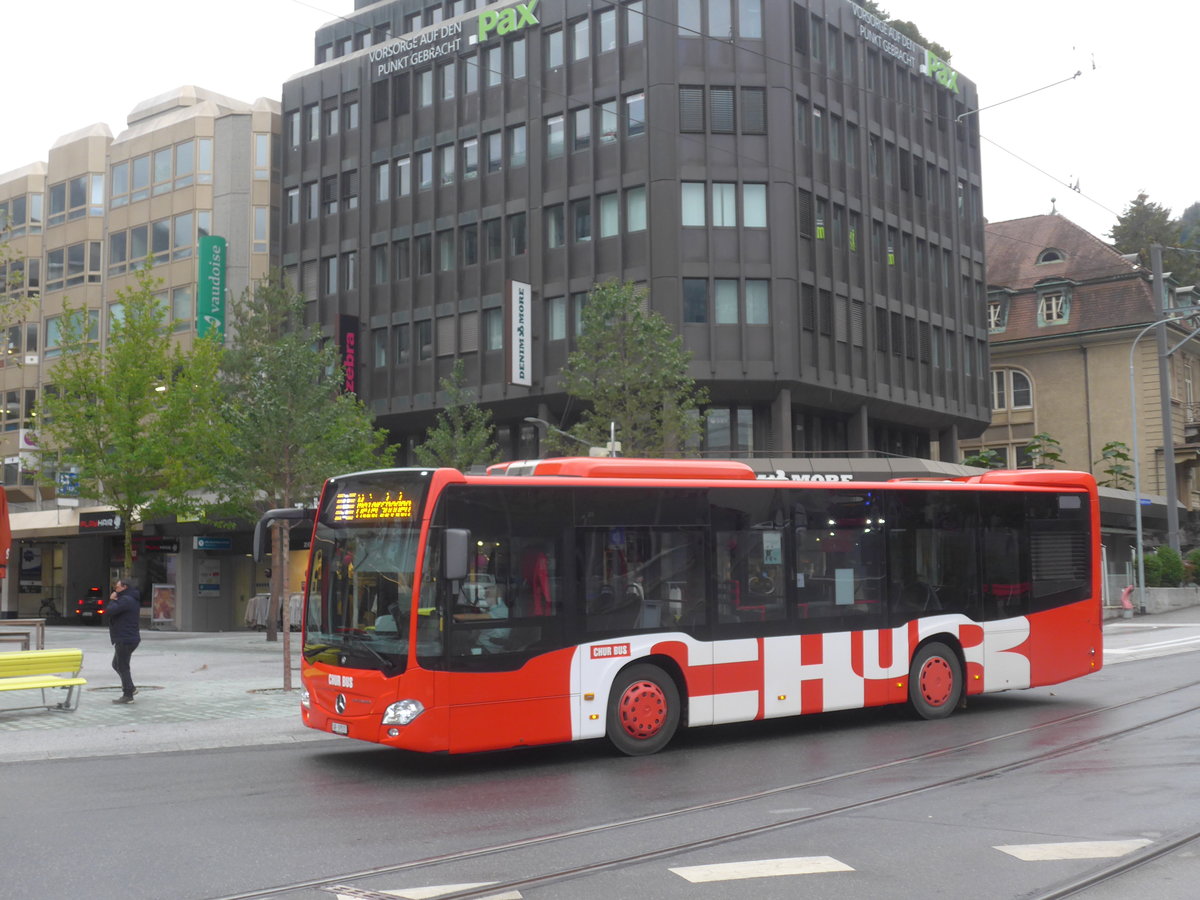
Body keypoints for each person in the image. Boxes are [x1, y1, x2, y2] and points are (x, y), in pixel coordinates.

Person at [108, 575, 142, 703]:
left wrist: (112, 600)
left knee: (122, 666)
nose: (115, 589)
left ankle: (128, 695)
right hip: (128, 637)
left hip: (125, 637)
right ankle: (131, 688)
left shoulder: (126, 600)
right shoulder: (130, 598)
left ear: (124, 587)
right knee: (116, 664)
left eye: (117, 587)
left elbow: (110, 611)